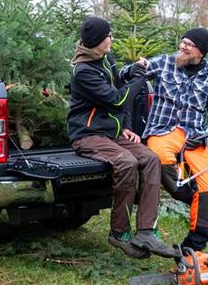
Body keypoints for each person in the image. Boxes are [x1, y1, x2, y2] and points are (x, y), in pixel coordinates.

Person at [68, 16, 180, 259]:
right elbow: (117, 98)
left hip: (112, 133)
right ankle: (119, 232)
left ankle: (146, 231)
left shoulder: (104, 59)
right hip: (88, 135)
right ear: (97, 40)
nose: (112, 38)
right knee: (126, 162)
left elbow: (117, 81)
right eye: (108, 35)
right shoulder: (83, 70)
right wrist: (141, 79)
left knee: (151, 159)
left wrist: (131, 71)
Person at [136, 27, 208, 252]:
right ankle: (182, 193)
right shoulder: (166, 62)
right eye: (183, 41)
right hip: (163, 130)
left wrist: (205, 135)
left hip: (194, 136)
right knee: (160, 158)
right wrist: (139, 66)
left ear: (201, 52)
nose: (183, 46)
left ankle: (195, 243)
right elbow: (136, 71)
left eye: (189, 44)